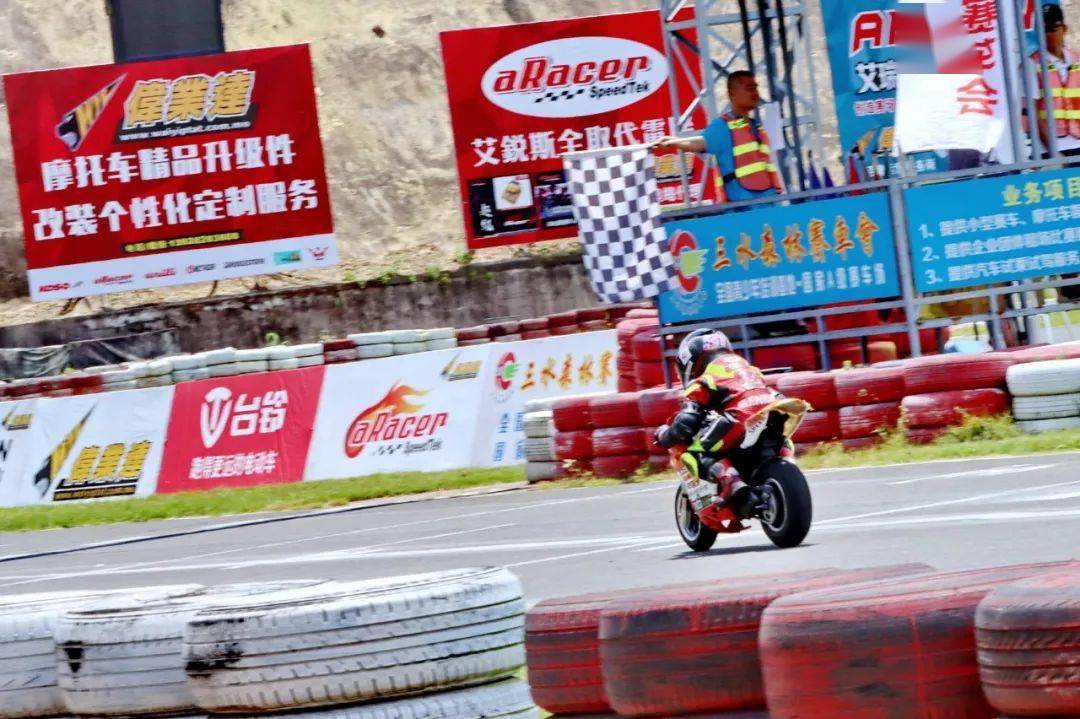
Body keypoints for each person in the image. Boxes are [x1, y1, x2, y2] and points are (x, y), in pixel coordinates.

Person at [654, 329, 787, 508]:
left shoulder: (704, 379)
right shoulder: (747, 368)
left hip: (740, 416)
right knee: (777, 442)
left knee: (697, 452)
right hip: (774, 409)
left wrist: (665, 436)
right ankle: (786, 462)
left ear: (690, 362)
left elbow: (687, 421)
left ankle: (731, 481)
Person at [653, 71, 783, 203]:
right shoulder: (723, 126)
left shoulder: (756, 126)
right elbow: (699, 143)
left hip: (770, 202)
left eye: (755, 88)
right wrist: (673, 142)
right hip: (744, 207)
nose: (755, 93)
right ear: (732, 94)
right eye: (749, 88)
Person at [1024, 4, 1080, 157]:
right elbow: (1033, 112)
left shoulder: (1077, 60)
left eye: (1053, 28)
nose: (1048, 34)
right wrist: (1053, 152)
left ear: (1064, 29)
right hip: (1050, 148)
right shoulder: (1031, 63)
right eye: (1044, 29)